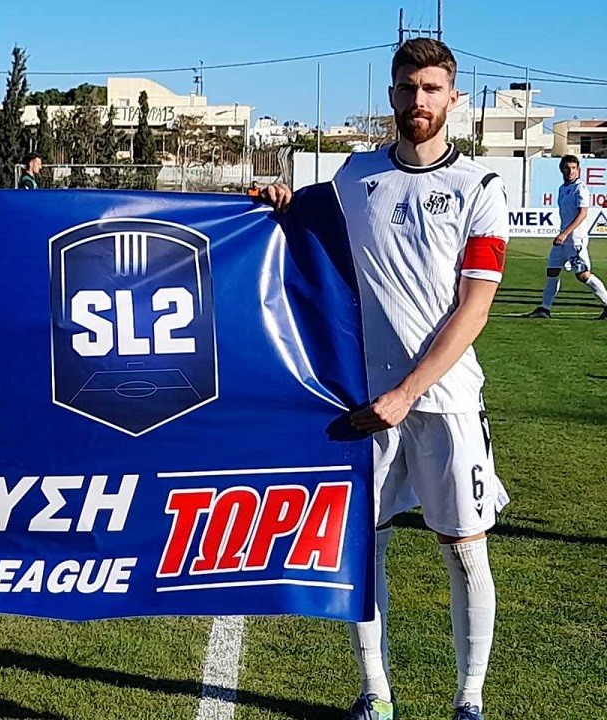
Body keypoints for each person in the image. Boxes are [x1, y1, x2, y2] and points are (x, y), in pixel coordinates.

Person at [261, 39, 507, 720]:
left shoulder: (481, 188)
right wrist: (280, 199)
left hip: (447, 403)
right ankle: (375, 693)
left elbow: (474, 309)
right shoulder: (355, 175)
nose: (417, 101)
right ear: (391, 94)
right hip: (365, 401)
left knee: (464, 554)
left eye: (431, 89)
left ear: (453, 98)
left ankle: (468, 700)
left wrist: (409, 392)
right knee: (363, 551)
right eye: (407, 88)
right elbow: (302, 220)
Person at [524, 155, 607, 319]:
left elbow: (582, 214)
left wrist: (565, 233)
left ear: (578, 170)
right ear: (561, 169)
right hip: (562, 240)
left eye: (574, 168)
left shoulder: (580, 188)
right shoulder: (562, 188)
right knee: (552, 271)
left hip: (575, 240)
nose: (570, 171)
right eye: (567, 168)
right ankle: (545, 308)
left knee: (583, 275)